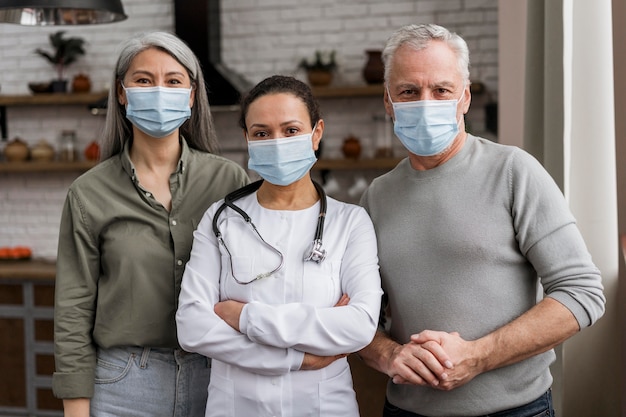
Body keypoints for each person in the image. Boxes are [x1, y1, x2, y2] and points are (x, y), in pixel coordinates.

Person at [357, 23, 606, 417]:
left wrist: (477, 356)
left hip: (516, 411)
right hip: (405, 411)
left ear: (465, 98)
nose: (426, 102)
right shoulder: (376, 196)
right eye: (409, 91)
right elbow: (353, 314)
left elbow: (582, 292)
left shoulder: (514, 172)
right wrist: (388, 354)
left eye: (441, 90)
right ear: (388, 102)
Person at [52, 31, 249, 417]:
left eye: (173, 81)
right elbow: (72, 311)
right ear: (122, 92)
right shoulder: (88, 194)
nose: (159, 90)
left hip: (220, 377)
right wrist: (75, 409)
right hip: (123, 384)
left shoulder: (230, 182)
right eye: (143, 80)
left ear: (191, 95)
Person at [176, 75, 383, 417]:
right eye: (261, 133)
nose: (276, 141)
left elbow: (359, 324)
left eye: (290, 130)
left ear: (316, 134)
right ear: (246, 139)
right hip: (235, 406)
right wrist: (297, 357)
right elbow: (192, 327)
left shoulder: (350, 222)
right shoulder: (221, 219)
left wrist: (245, 317)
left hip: (323, 407)